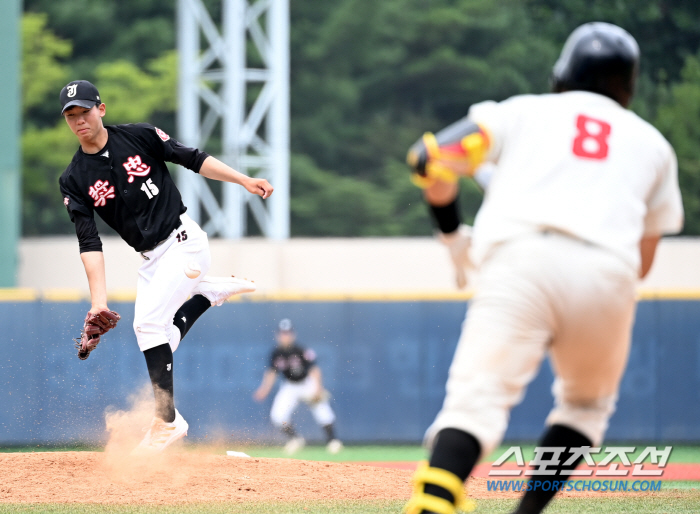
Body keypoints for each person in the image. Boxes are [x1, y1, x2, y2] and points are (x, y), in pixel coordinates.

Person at [404, 22, 683, 514]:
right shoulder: (654, 144)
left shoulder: (521, 112)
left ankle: (436, 495)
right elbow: (643, 262)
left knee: (476, 403)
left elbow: (430, 159)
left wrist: (451, 235)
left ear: (564, 74)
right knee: (584, 407)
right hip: (610, 274)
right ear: (629, 85)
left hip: (520, 262)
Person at [58, 80, 273, 454]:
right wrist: (98, 302)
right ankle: (205, 295)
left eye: (85, 111)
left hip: (184, 243)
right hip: (151, 260)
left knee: (147, 326)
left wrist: (242, 179)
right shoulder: (74, 178)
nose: (79, 120)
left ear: (101, 109)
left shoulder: (138, 136)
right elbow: (89, 243)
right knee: (159, 339)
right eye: (71, 115)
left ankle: (167, 421)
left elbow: (193, 158)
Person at [253, 318, 343, 454]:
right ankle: (295, 439)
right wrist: (264, 389)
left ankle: (333, 441)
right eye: (283, 333)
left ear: (293, 334)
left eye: (288, 333)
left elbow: (314, 369)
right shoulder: (276, 353)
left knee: (323, 411)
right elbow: (272, 372)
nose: (285, 336)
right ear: (278, 335)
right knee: (278, 416)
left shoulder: (301, 350)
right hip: (290, 386)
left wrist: (318, 388)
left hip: (306, 383)